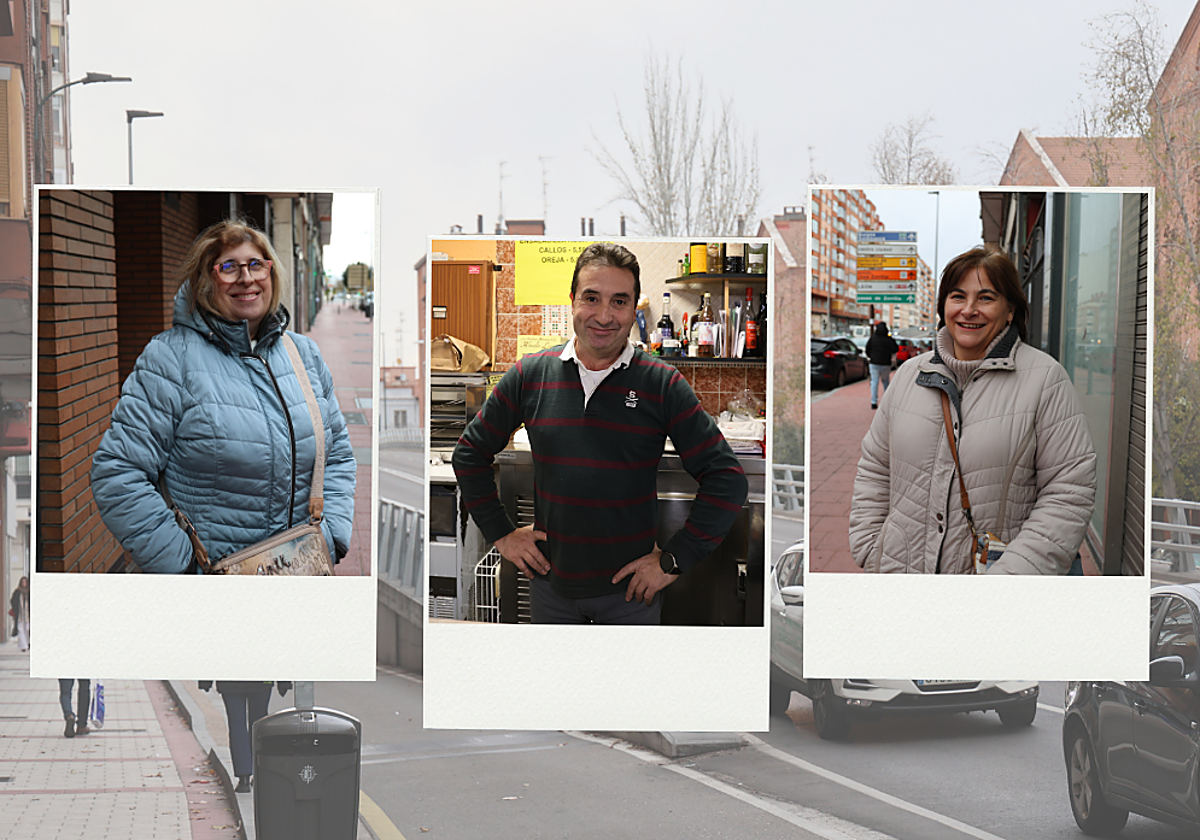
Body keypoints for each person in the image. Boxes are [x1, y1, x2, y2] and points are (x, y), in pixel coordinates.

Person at [453, 243, 749, 624]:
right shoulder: (530, 375)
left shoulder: (661, 384)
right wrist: (502, 534)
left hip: (630, 597)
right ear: (572, 300)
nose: (604, 316)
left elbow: (727, 478)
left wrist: (673, 560)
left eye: (620, 301)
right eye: (592, 298)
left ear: (634, 308)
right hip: (550, 591)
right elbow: (469, 454)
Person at [90, 219, 356, 573]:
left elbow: (337, 454)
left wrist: (333, 535)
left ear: (271, 274)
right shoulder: (171, 359)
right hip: (213, 583)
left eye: (256, 264)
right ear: (205, 281)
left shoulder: (304, 354)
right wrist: (184, 566)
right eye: (228, 268)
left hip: (299, 572)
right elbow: (118, 472)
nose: (246, 278)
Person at [849, 246, 1097, 575]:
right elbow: (875, 465)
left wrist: (1006, 582)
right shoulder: (909, 375)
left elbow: (1069, 491)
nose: (968, 310)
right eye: (957, 296)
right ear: (944, 307)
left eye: (985, 298)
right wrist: (871, 546)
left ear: (1010, 310)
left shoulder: (1045, 379)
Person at [199, 680, 290, 792]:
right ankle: (259, 772)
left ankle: (243, 778)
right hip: (261, 680)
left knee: (236, 726)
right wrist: (284, 681)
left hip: (230, 682)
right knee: (258, 725)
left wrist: (205, 681)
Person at [864, 321, 899, 409]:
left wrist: (871, 356)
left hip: (874, 363)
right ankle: (886, 401)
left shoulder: (873, 338)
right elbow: (895, 349)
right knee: (886, 381)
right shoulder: (888, 339)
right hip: (885, 364)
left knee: (874, 382)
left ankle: (874, 402)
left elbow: (867, 349)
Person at [10, 576, 29, 651]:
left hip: (27, 614)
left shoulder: (29, 592)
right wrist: (16, 609)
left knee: (27, 628)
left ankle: (27, 643)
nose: (24, 584)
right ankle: (23, 646)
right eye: (22, 582)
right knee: (20, 629)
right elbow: (12, 601)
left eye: (25, 582)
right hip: (20, 614)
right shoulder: (17, 592)